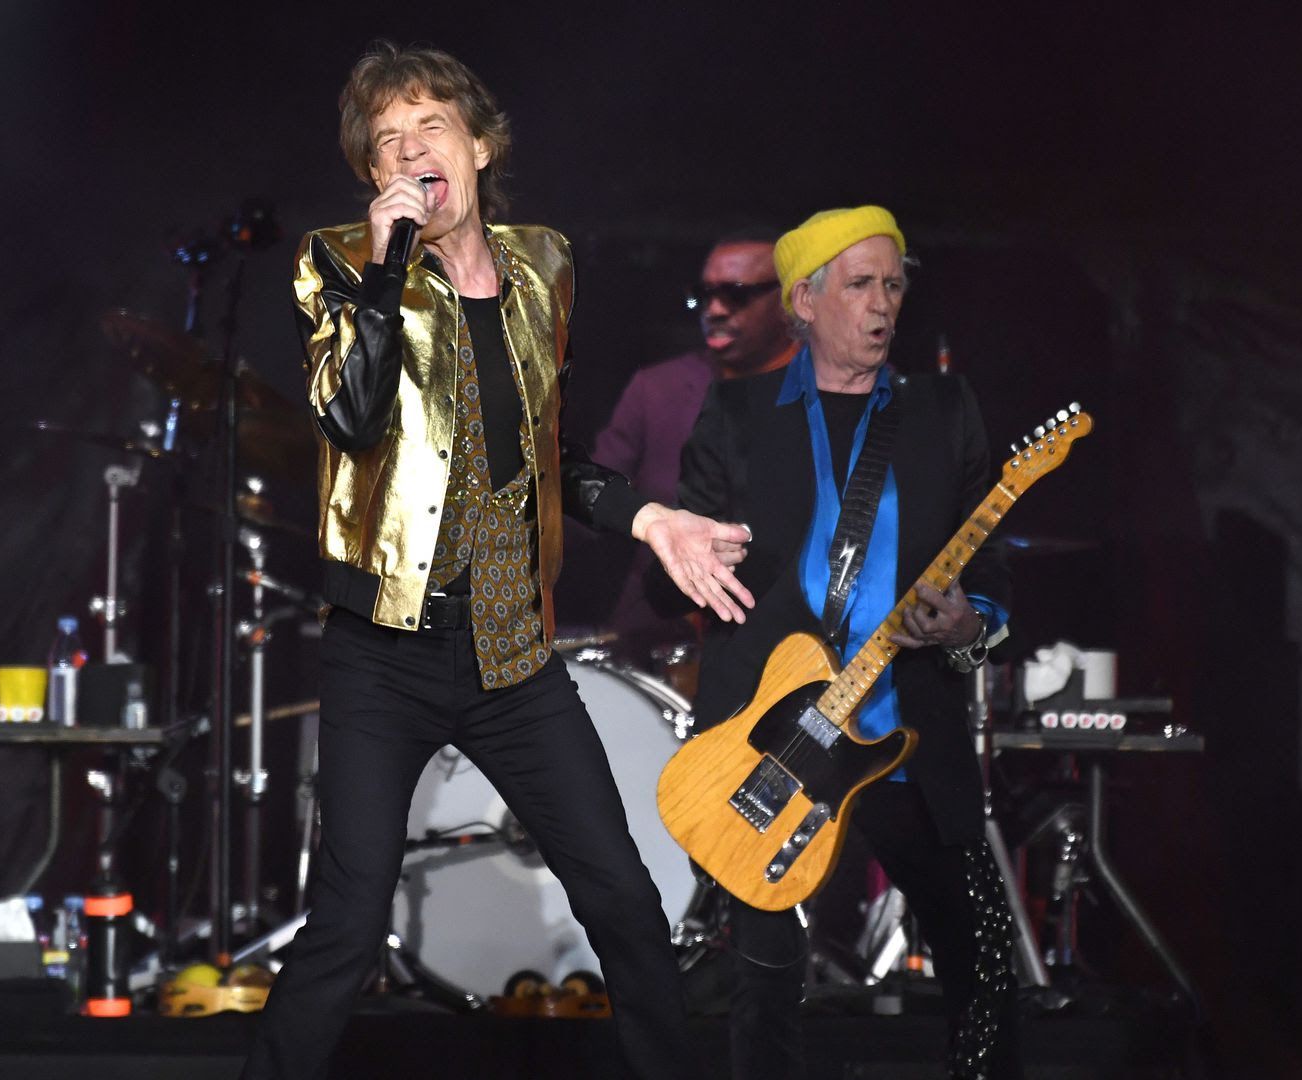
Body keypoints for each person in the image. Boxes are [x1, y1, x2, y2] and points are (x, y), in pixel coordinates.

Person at [244, 41, 752, 1080]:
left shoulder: (544, 268)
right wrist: (386, 273)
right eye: (385, 140)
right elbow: (347, 414)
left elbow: (544, 454)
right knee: (345, 922)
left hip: (512, 651)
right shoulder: (339, 261)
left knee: (620, 894)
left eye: (428, 124)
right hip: (383, 651)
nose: (407, 149)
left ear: (479, 144)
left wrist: (651, 519)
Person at [650, 206, 1022, 1079]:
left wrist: (973, 623)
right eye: (860, 284)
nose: (882, 302)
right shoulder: (738, 412)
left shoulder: (943, 407)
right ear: (804, 301)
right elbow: (678, 577)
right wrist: (692, 559)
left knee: (988, 955)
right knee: (766, 987)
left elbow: (991, 558)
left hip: (904, 733)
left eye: (894, 284)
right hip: (773, 743)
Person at [592, 230, 796, 646]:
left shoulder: (825, 388)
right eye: (705, 294)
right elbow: (594, 492)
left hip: (787, 630)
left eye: (737, 295)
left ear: (791, 299)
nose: (715, 310)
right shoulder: (658, 388)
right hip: (660, 631)